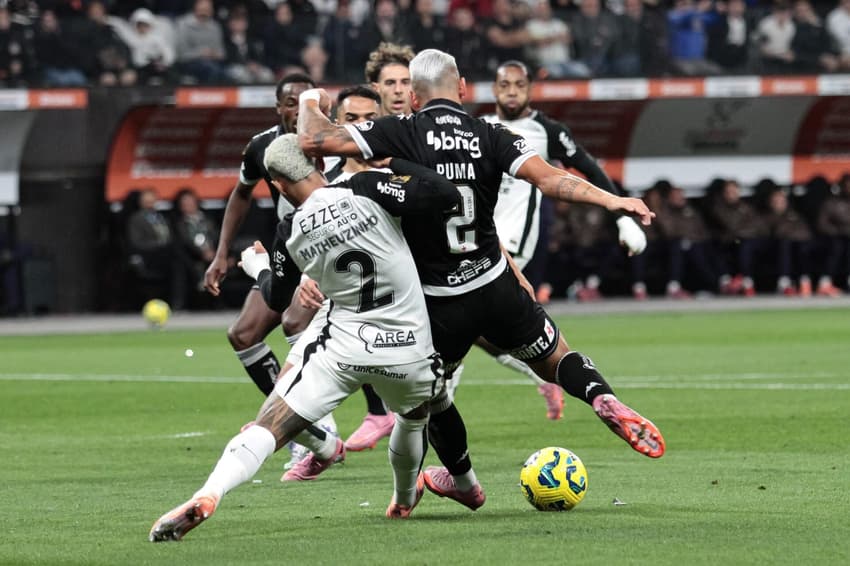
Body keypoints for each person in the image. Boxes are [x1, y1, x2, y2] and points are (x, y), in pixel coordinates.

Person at [297, 48, 666, 511]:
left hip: (437, 303)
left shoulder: (401, 131)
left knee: (432, 401)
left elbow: (315, 141)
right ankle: (601, 396)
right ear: (465, 89)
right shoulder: (491, 133)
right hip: (496, 283)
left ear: (413, 96)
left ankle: (463, 482)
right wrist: (614, 203)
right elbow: (552, 180)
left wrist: (310, 101)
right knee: (556, 357)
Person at [149, 133, 460, 542]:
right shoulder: (365, 187)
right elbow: (443, 195)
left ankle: (209, 492)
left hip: (342, 347)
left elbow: (277, 298)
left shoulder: (291, 228)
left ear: (278, 185)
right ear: (316, 162)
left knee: (269, 424)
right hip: (407, 348)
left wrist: (258, 265)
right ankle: (403, 498)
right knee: (413, 418)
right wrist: (394, 161)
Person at [480, 60, 646, 417]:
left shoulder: (547, 130)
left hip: (513, 245)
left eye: (519, 85)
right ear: (494, 90)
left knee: (455, 328)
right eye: (504, 84)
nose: (511, 91)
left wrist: (621, 218)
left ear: (530, 90)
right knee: (476, 330)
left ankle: (408, 424)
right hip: (478, 239)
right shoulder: (480, 128)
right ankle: (548, 373)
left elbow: (590, 169)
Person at [339, 43, 417, 452]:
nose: (400, 90)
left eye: (407, 81)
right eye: (391, 82)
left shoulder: (420, 134)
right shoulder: (365, 141)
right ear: (376, 88)